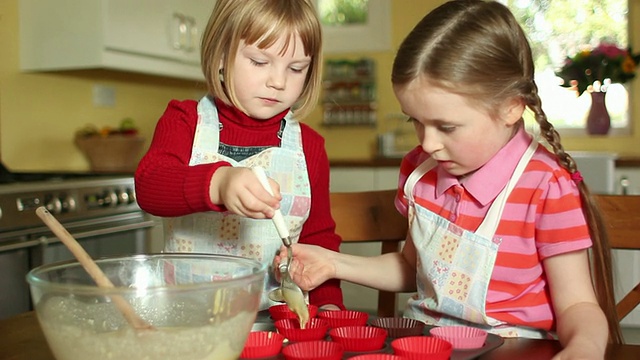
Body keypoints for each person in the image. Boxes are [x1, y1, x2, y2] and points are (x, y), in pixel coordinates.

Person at [278, 0, 623, 357]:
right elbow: (415, 269)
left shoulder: (545, 185)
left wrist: (584, 348)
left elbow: (578, 306)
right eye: (415, 120)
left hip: (514, 350)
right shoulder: (419, 171)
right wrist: (333, 263)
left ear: (511, 106)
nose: (427, 143)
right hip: (426, 346)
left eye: (447, 127)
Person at [134, 0, 343, 312]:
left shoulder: (309, 146)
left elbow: (319, 239)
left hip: (277, 321)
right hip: (188, 317)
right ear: (220, 55)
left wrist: (329, 308)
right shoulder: (184, 121)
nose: (279, 82)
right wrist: (219, 183)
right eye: (260, 62)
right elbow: (149, 185)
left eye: (296, 68)